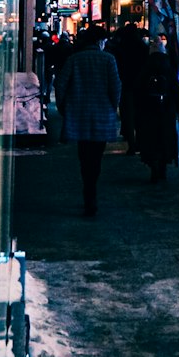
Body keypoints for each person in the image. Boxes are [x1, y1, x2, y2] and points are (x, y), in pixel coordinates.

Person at [56, 27, 122, 217]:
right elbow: (116, 88)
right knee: (97, 156)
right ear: (100, 41)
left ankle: (88, 190)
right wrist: (112, 106)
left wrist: (64, 108)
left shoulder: (74, 59)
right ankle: (91, 190)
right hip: (102, 115)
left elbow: (61, 84)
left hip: (79, 115)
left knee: (84, 156)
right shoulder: (108, 59)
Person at [134, 33, 179, 183]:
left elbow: (139, 89)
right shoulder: (168, 65)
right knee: (165, 137)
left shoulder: (145, 65)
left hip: (148, 109)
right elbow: (175, 88)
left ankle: (153, 166)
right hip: (166, 109)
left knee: (150, 138)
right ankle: (163, 166)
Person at [108, 16, 150, 154]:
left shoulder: (120, 48)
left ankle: (132, 144)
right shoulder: (142, 47)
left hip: (125, 84)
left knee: (128, 115)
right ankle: (141, 143)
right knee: (141, 115)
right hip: (142, 85)